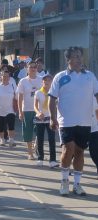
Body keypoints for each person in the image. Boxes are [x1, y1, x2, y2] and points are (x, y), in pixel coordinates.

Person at [48, 46, 98, 196]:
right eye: (75, 56)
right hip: (66, 121)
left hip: (85, 121)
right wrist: (52, 117)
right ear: (68, 59)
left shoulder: (90, 76)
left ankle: (77, 184)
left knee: (80, 151)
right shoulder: (60, 77)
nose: (79, 59)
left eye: (80, 56)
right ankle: (64, 182)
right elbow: (52, 99)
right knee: (68, 149)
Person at [16, 61, 42, 160]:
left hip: (39, 110)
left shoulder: (41, 80)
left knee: (39, 131)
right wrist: (20, 111)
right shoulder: (23, 81)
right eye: (31, 67)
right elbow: (20, 97)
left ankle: (35, 147)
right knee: (28, 132)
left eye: (35, 67)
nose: (33, 69)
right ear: (27, 69)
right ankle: (30, 153)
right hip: (27, 109)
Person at [33, 74, 58, 168]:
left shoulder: (55, 93)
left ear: (52, 82)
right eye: (44, 80)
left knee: (52, 139)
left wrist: (55, 117)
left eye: (48, 80)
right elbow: (35, 106)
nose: (46, 82)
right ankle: (40, 158)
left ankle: (53, 160)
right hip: (40, 118)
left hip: (50, 118)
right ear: (42, 82)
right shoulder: (38, 92)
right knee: (40, 139)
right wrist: (38, 113)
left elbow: (56, 106)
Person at [0, 70, 16, 147]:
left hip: (10, 109)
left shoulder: (12, 86)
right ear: (1, 77)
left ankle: (11, 140)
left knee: (11, 126)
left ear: (9, 77)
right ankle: (2, 140)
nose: (5, 78)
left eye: (7, 76)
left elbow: (16, 97)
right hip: (0, 109)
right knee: (1, 126)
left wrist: (17, 108)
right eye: (3, 76)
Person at [89, 96, 98, 176]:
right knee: (74, 152)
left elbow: (97, 111)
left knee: (94, 152)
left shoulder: (94, 97)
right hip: (79, 127)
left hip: (94, 129)